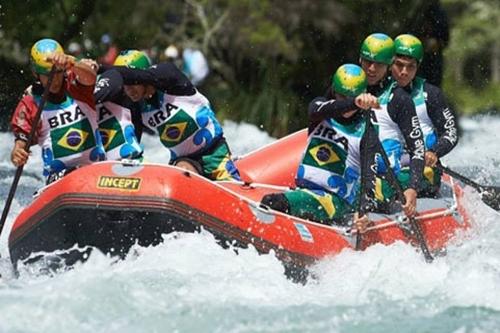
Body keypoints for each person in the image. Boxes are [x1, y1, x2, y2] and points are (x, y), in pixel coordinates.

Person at [261, 64, 379, 231]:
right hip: (306, 191)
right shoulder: (319, 108)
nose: (344, 102)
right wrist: (353, 102)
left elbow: (369, 174)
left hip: (335, 201)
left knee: (273, 202)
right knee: (275, 201)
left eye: (350, 97)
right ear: (333, 91)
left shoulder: (367, 130)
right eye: (341, 96)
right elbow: (323, 109)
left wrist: (364, 210)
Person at [112, 57, 240, 181]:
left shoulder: (174, 83)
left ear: (143, 77)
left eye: (132, 83)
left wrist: (102, 69)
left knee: (233, 187)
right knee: (183, 170)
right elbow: (134, 144)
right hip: (183, 160)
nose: (128, 90)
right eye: (125, 85)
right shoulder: (135, 107)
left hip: (215, 152)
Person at [10, 38, 105, 184]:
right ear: (36, 74)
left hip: (95, 168)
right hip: (59, 178)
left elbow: (91, 77)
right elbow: (21, 142)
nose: (54, 80)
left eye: (58, 74)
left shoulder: (76, 83)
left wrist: (71, 62)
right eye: (47, 76)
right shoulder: (29, 104)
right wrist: (17, 153)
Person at [359, 33, 425, 217]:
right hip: (350, 173)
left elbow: (418, 148)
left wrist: (412, 187)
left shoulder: (400, 99)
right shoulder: (347, 87)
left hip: (384, 179)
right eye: (367, 61)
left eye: (379, 64)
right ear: (360, 60)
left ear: (388, 66)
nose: (371, 69)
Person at [391, 34, 459, 196]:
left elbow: (450, 133)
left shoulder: (431, 94)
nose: (404, 72)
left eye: (411, 67)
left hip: (423, 169)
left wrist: (434, 152)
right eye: (399, 65)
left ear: (418, 66)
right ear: (389, 63)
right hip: (387, 165)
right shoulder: (376, 93)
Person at [94, 50, 147, 161]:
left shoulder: (146, 101)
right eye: (126, 83)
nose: (130, 89)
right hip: (104, 163)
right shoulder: (114, 90)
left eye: (134, 82)